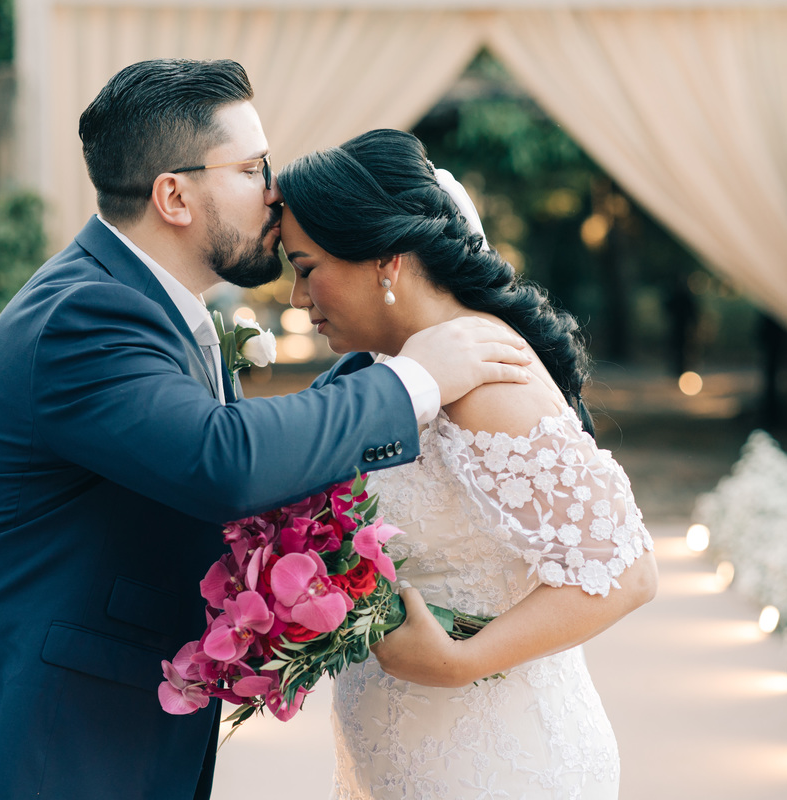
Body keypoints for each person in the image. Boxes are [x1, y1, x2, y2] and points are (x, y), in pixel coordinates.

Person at [0, 58, 533, 800]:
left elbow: (219, 437)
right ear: (174, 195)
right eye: (253, 167)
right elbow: (222, 460)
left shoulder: (147, 302)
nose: (276, 189)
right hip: (28, 731)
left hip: (88, 720)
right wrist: (414, 381)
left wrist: (393, 344)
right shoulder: (83, 315)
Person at [277, 129, 658, 799]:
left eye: (306, 268)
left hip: (497, 764)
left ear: (385, 261)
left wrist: (460, 661)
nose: (296, 299)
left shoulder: (488, 377)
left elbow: (627, 569)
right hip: (398, 754)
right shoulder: (381, 374)